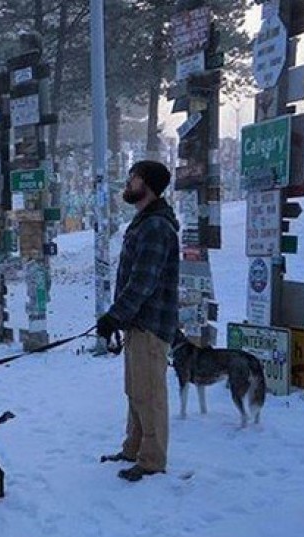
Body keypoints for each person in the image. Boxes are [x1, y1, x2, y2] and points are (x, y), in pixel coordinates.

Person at [97, 160, 179, 482]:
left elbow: (142, 283)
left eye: (133, 178)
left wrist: (114, 316)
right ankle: (133, 448)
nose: (128, 183)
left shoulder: (156, 226)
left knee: (150, 394)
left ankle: (152, 459)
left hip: (150, 324)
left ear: (146, 184)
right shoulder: (145, 221)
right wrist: (118, 319)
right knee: (135, 391)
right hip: (137, 323)